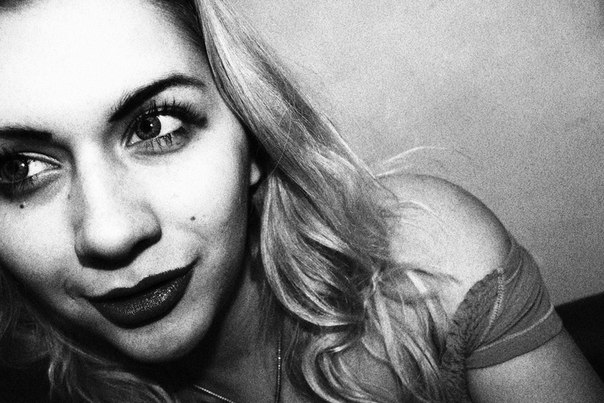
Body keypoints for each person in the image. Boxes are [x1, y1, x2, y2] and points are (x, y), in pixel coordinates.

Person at [0, 0, 601, 402]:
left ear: (253, 139)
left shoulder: (426, 266)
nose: (108, 231)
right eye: (18, 168)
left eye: (156, 126)